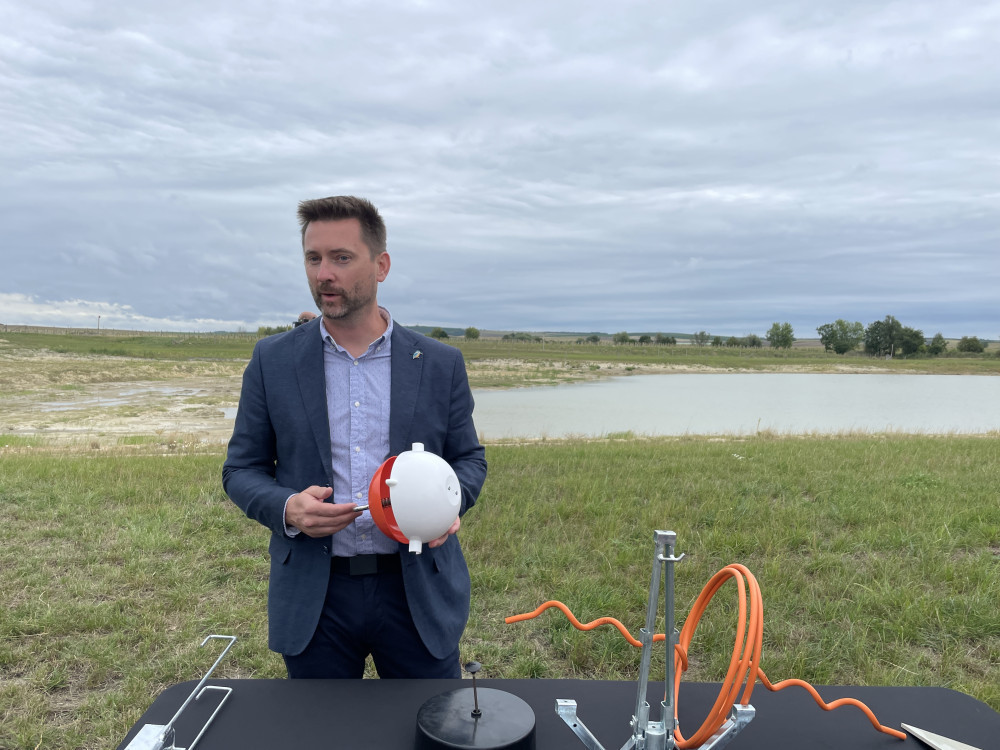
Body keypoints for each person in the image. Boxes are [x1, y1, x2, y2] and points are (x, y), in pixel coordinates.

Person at [223, 195, 486, 679]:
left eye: (341, 258)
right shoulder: (272, 361)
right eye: (313, 258)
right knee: (323, 723)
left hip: (416, 591)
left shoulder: (439, 363)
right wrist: (288, 508)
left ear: (381, 265)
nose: (324, 274)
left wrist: (449, 505)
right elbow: (240, 469)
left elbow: (469, 459)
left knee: (428, 719)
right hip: (316, 597)